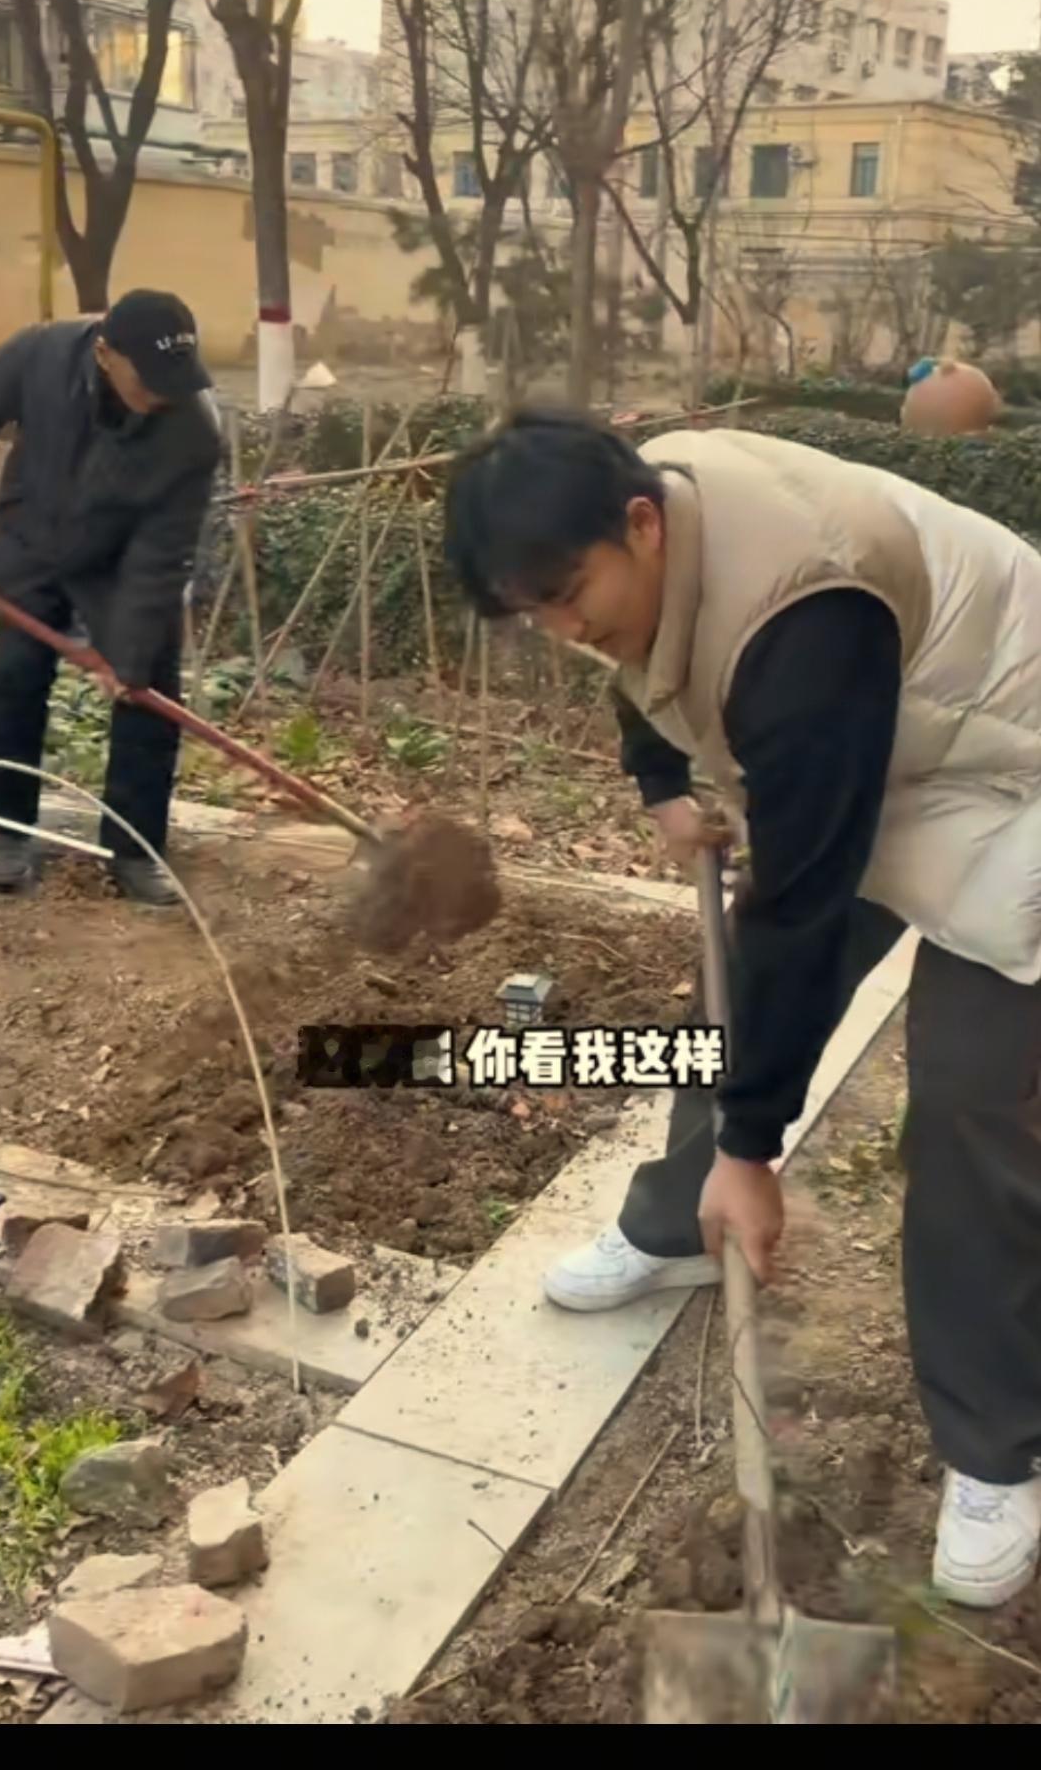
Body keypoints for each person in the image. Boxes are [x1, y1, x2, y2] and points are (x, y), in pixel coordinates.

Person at [444, 405, 1041, 1612]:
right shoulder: (635, 540)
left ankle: (997, 1451)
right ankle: (675, 1228)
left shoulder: (804, 615)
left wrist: (755, 1147)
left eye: (567, 596)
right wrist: (662, 777)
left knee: (975, 1091)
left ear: (642, 524)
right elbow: (639, 657)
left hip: (1010, 761)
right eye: (533, 613)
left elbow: (808, 911)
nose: (562, 629)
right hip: (892, 736)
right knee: (731, 991)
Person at [0, 291, 221, 907]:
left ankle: (135, 849)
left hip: (120, 562)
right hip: (31, 543)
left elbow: (162, 557)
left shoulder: (193, 432)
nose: (166, 392)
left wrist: (125, 660)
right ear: (105, 354)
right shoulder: (42, 354)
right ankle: (8, 833)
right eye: (150, 378)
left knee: (149, 691)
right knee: (15, 677)